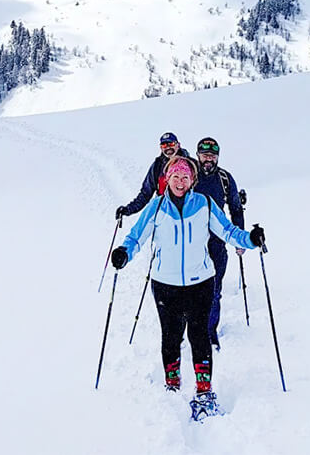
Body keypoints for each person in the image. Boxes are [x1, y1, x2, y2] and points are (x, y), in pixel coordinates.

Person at [110, 155, 265, 420]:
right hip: (165, 284)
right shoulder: (157, 207)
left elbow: (228, 231)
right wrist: (124, 253)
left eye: (185, 177)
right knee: (170, 336)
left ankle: (204, 390)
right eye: (175, 176)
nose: (180, 182)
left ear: (192, 180)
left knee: (199, 335)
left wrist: (250, 239)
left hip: (200, 282)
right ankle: (172, 385)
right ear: (167, 178)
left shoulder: (204, 204)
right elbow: (136, 236)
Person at [192, 136, 245, 350]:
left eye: (212, 156)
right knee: (192, 289)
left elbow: (235, 208)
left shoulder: (225, 178)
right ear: (197, 155)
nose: (208, 159)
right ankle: (193, 329)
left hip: (217, 242)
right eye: (205, 155)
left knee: (214, 289)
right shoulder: (189, 175)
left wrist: (239, 239)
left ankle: (210, 332)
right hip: (191, 242)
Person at [115, 132, 191, 219]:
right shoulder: (157, 166)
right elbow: (145, 193)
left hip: (188, 214)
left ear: (178, 145)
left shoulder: (190, 164)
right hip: (165, 215)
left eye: (171, 144)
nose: (168, 147)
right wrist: (128, 209)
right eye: (164, 145)